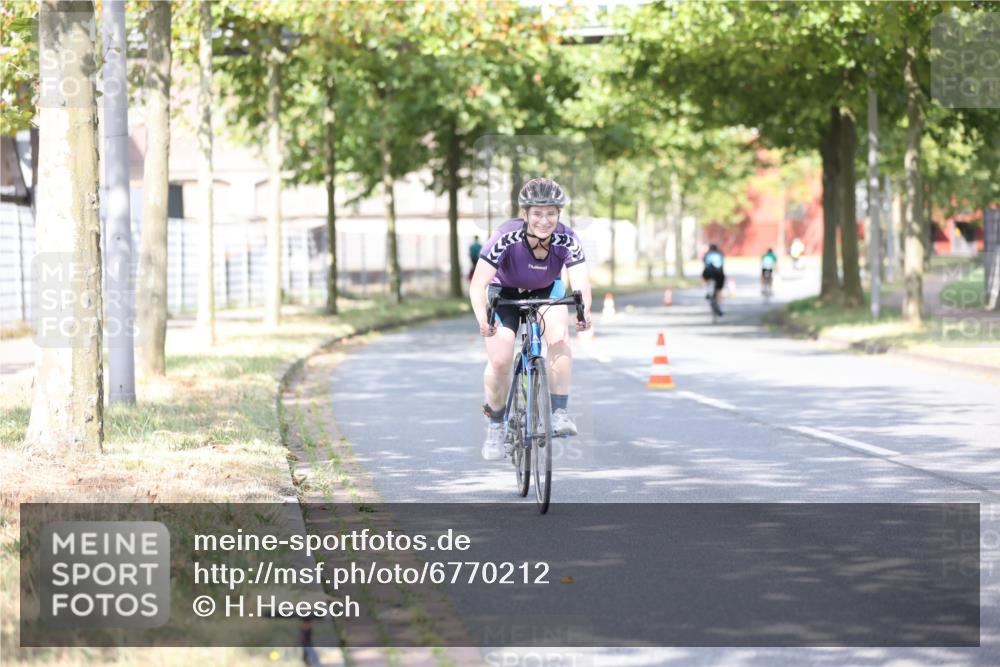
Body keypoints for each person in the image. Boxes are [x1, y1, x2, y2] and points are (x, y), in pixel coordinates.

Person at [469, 177, 593, 461]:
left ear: (559, 214)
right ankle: (496, 424)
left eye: (551, 213)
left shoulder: (567, 238)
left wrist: (585, 313)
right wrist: (483, 320)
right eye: (537, 213)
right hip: (505, 292)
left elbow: (581, 281)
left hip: (546, 289)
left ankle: (559, 411)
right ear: (524, 214)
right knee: (499, 359)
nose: (544, 220)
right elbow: (478, 284)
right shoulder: (505, 236)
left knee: (559, 337)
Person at [702, 243, 725, 316]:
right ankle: (720, 307)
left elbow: (704, 263)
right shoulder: (720, 254)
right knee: (719, 290)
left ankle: (706, 291)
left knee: (704, 277)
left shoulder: (707, 254)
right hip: (719, 273)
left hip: (708, 272)